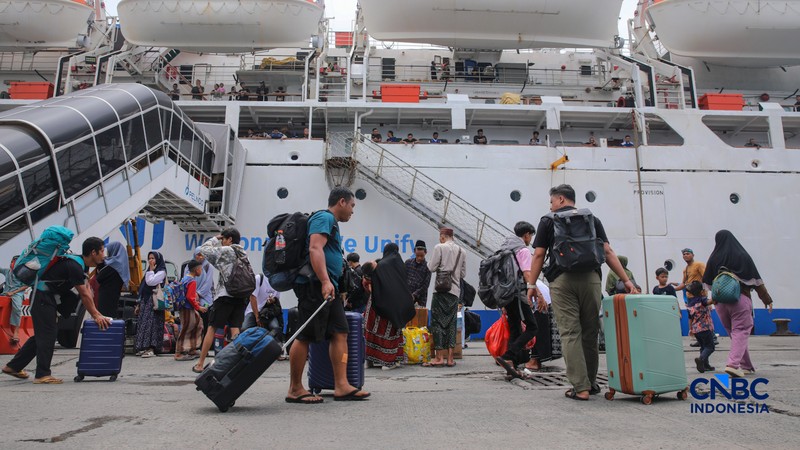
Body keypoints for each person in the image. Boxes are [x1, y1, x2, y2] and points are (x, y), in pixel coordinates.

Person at [527, 184, 639, 401]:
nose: (550, 206)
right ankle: (592, 382)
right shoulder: (592, 219)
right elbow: (607, 251)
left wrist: (531, 285)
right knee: (590, 331)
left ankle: (580, 388)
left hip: (562, 280)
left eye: (551, 201)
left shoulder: (548, 221)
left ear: (560, 199)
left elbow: (539, 255)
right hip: (591, 279)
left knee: (570, 332)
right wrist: (626, 280)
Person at [287, 187, 370, 403]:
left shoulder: (331, 223)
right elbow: (315, 248)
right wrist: (324, 280)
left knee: (340, 332)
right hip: (314, 285)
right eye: (352, 205)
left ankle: (341, 385)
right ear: (342, 202)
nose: (352, 211)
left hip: (329, 287)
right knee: (305, 335)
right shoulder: (324, 218)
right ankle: (295, 388)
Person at [3, 238, 111, 383]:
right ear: (93, 252)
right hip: (42, 299)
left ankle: (13, 367)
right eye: (102, 251)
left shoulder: (80, 265)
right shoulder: (74, 266)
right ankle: (42, 375)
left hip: (45, 299)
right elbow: (84, 294)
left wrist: (97, 314)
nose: (104, 255)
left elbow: (87, 292)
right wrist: (96, 316)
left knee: (42, 335)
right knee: (48, 334)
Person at [702, 230, 773, 378]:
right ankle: (733, 365)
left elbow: (707, 283)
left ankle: (746, 366)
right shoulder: (742, 255)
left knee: (736, 335)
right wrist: (767, 299)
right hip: (739, 299)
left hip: (720, 304)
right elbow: (757, 282)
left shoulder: (713, 258)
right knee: (741, 331)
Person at [193, 228, 251, 373]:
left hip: (225, 295)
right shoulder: (243, 253)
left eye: (224, 239)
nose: (222, 241)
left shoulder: (228, 251)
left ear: (230, 239)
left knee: (212, 327)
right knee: (235, 329)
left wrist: (215, 238)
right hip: (240, 296)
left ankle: (200, 364)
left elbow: (204, 250)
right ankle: (237, 364)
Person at [495, 221, 541, 377]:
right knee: (532, 327)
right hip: (517, 293)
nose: (530, 239)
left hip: (506, 294)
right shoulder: (522, 250)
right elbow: (527, 274)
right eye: (530, 236)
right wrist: (537, 293)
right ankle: (507, 356)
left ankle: (511, 366)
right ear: (526, 235)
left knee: (515, 328)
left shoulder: (505, 248)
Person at [364, 244, 415, 370]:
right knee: (391, 331)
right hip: (394, 306)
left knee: (372, 329)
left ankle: (370, 360)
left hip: (376, 304)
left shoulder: (380, 264)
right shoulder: (400, 266)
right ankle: (388, 361)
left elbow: (367, 279)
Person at [425, 228, 466, 367]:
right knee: (451, 323)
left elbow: (431, 267)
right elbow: (463, 274)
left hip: (440, 291)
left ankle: (439, 358)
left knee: (437, 323)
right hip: (454, 292)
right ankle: (450, 359)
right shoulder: (462, 251)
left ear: (443, 237)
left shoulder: (439, 247)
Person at [134, 252, 168, 358]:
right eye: (149, 258)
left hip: (154, 303)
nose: (150, 260)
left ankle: (151, 348)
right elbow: (143, 286)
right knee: (144, 323)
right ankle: (143, 347)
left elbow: (150, 282)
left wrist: (151, 270)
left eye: (153, 258)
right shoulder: (150, 271)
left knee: (152, 324)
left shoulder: (161, 272)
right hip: (146, 301)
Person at [174, 260, 208, 361]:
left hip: (186, 307)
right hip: (187, 308)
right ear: (196, 270)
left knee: (198, 324)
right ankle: (179, 352)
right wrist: (199, 307)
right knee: (186, 328)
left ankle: (192, 348)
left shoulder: (185, 278)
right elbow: (190, 297)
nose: (201, 271)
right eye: (201, 269)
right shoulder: (192, 281)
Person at [184, 247, 215, 338]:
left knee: (205, 323)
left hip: (205, 299)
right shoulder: (189, 266)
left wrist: (198, 293)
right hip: (192, 299)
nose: (201, 257)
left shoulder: (208, 266)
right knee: (192, 325)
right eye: (198, 255)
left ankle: (203, 343)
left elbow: (208, 283)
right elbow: (186, 280)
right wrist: (193, 293)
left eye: (203, 255)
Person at [95, 241, 130, 318]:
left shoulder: (113, 265)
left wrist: (100, 263)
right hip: (114, 294)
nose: (107, 253)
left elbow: (99, 278)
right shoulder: (120, 264)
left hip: (106, 296)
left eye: (108, 250)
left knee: (105, 317)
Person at [687, 285, 715, 373]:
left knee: (703, 347)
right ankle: (701, 359)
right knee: (710, 347)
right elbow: (711, 301)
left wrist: (690, 329)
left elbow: (690, 318)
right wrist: (717, 295)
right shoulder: (702, 300)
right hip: (705, 328)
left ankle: (705, 365)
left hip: (696, 330)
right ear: (701, 292)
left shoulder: (690, 304)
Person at [0, 257, 26, 346]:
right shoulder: (7, 271)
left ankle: (16, 332)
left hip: (17, 294)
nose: (13, 263)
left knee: (17, 308)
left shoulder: (23, 272)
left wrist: (13, 292)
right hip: (5, 293)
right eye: (12, 261)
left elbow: (26, 285)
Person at [405, 240, 431, 308]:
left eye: (421, 256)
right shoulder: (408, 263)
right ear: (414, 251)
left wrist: (414, 295)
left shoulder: (428, 267)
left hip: (420, 300)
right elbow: (403, 279)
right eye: (417, 255)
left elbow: (425, 285)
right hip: (406, 297)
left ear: (425, 252)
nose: (419, 258)